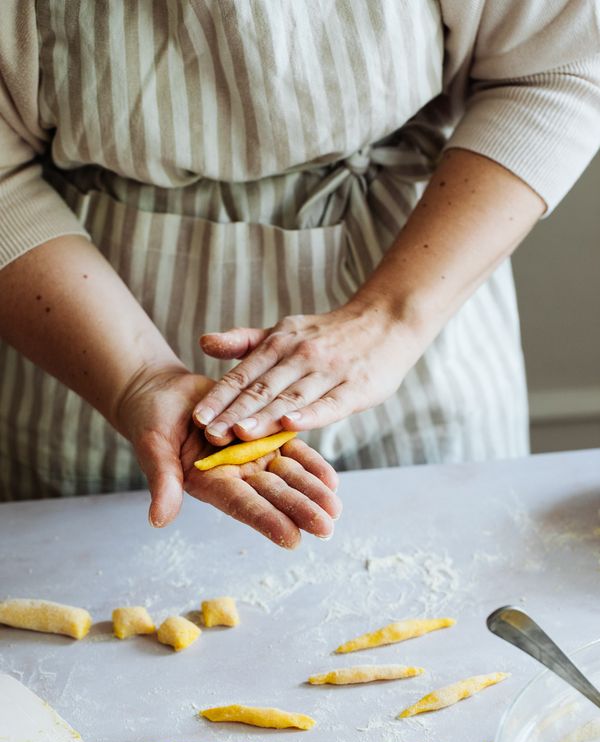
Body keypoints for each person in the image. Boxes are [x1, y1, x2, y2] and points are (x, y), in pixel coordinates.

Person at [0, 1, 598, 548]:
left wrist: (389, 319)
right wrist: (136, 382)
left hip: (424, 295)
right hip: (85, 330)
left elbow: (558, 63)